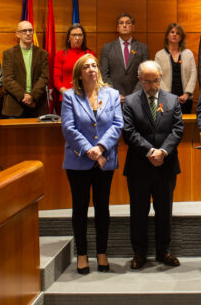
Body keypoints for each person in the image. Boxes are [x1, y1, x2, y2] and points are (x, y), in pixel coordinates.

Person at [61, 54, 123, 275]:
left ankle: (102, 253)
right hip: (78, 160)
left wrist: (101, 148)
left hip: (104, 161)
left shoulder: (112, 94)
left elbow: (117, 125)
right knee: (80, 209)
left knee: (102, 208)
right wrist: (90, 150)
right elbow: (68, 128)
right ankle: (82, 254)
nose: (91, 70)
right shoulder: (70, 97)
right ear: (79, 73)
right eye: (86, 67)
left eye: (94, 65)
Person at [122, 61, 184, 269]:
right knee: (138, 211)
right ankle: (139, 253)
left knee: (164, 211)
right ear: (140, 80)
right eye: (147, 82)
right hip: (139, 166)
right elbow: (129, 132)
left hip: (165, 165)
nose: (152, 86)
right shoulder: (130, 102)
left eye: (156, 80)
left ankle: (163, 251)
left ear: (161, 76)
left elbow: (177, 130)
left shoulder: (172, 100)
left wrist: (163, 152)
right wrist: (150, 151)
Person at [1, 20, 49, 118]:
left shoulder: (42, 53)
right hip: (15, 106)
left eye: (30, 30)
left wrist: (32, 96)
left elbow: (44, 77)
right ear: (18, 34)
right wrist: (24, 97)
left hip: (37, 105)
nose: (28, 33)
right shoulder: (8, 54)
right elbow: (7, 79)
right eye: (24, 31)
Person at [99, 13, 149, 103]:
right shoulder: (107, 48)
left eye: (128, 23)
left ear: (133, 27)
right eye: (121, 23)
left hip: (137, 99)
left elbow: (144, 75)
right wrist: (115, 94)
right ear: (117, 28)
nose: (124, 25)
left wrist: (134, 96)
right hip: (113, 99)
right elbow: (104, 74)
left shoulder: (142, 48)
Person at [154, 23, 196, 114]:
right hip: (166, 99)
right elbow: (157, 77)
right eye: (172, 32)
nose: (174, 35)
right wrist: (169, 96)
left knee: (184, 126)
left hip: (185, 99)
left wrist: (187, 94)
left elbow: (193, 75)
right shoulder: (159, 55)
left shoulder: (188, 54)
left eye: (177, 33)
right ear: (167, 35)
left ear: (181, 37)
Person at [53, 23, 95, 102]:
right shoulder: (61, 54)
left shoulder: (90, 54)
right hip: (67, 97)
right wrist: (66, 93)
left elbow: (94, 77)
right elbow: (56, 79)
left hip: (86, 97)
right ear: (69, 37)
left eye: (80, 35)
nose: (77, 38)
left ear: (83, 38)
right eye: (74, 35)